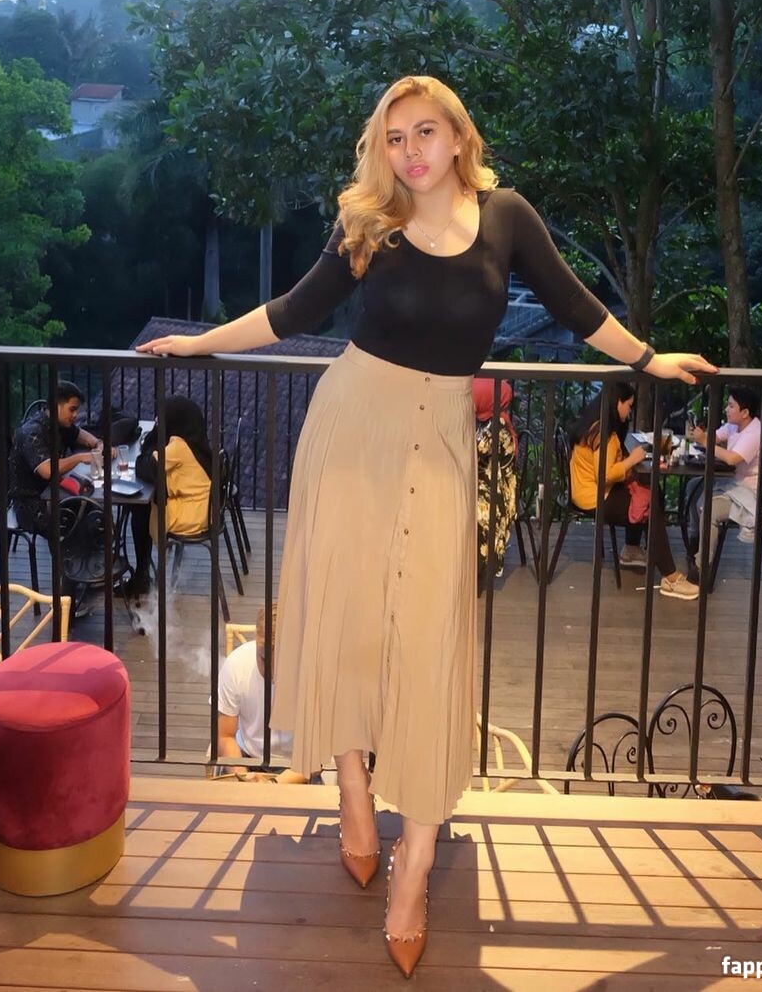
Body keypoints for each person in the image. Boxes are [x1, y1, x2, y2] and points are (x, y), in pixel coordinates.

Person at [138, 74, 715, 976]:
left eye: (425, 132)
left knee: (430, 639)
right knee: (349, 618)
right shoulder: (368, 223)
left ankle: (414, 864)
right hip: (351, 430)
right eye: (395, 137)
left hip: (442, 442)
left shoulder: (507, 217)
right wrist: (197, 343)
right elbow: (293, 313)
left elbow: (574, 307)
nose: (411, 151)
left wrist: (649, 358)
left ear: (457, 136)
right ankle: (354, 790)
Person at [568, 383, 699, 600]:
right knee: (650, 506)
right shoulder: (604, 435)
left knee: (650, 491)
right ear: (617, 403)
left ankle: (631, 548)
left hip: (584, 489)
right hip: (594, 497)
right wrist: (632, 460)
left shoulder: (593, 425)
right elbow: (605, 475)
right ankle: (670, 577)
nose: (629, 411)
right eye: (628, 405)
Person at [10, 382, 109, 617]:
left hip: (54, 497)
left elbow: (82, 436)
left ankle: (86, 575)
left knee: (93, 514)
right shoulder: (32, 432)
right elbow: (46, 470)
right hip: (30, 505)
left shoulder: (60, 424)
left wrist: (98, 444)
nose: (75, 415)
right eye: (72, 409)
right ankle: (66, 603)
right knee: (75, 526)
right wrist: (80, 458)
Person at [130, 395, 214, 597]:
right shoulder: (194, 441)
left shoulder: (178, 448)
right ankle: (141, 574)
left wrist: (155, 434)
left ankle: (141, 575)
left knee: (140, 508)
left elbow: (144, 466)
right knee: (143, 506)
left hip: (190, 517)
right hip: (204, 510)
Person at [216, 602, 309, 783]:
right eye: (264, 658)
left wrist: (274, 785)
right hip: (247, 758)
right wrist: (243, 775)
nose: (272, 672)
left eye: (284, 661)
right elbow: (225, 736)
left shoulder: (313, 673)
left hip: (298, 766)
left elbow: (316, 756)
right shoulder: (237, 664)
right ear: (256, 638)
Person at [690, 385, 762, 544]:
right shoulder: (734, 425)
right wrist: (701, 436)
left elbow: (732, 459)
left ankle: (703, 557)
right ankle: (695, 539)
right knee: (693, 486)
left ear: (745, 413)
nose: (726, 409)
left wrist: (705, 442)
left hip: (751, 493)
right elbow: (714, 437)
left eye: (731, 406)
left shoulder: (755, 433)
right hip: (735, 484)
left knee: (709, 509)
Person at [472, 378, 518, 589]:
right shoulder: (487, 420)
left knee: (468, 509)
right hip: (485, 485)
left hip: (497, 494)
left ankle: (476, 571)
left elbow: (472, 450)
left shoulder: (496, 425)